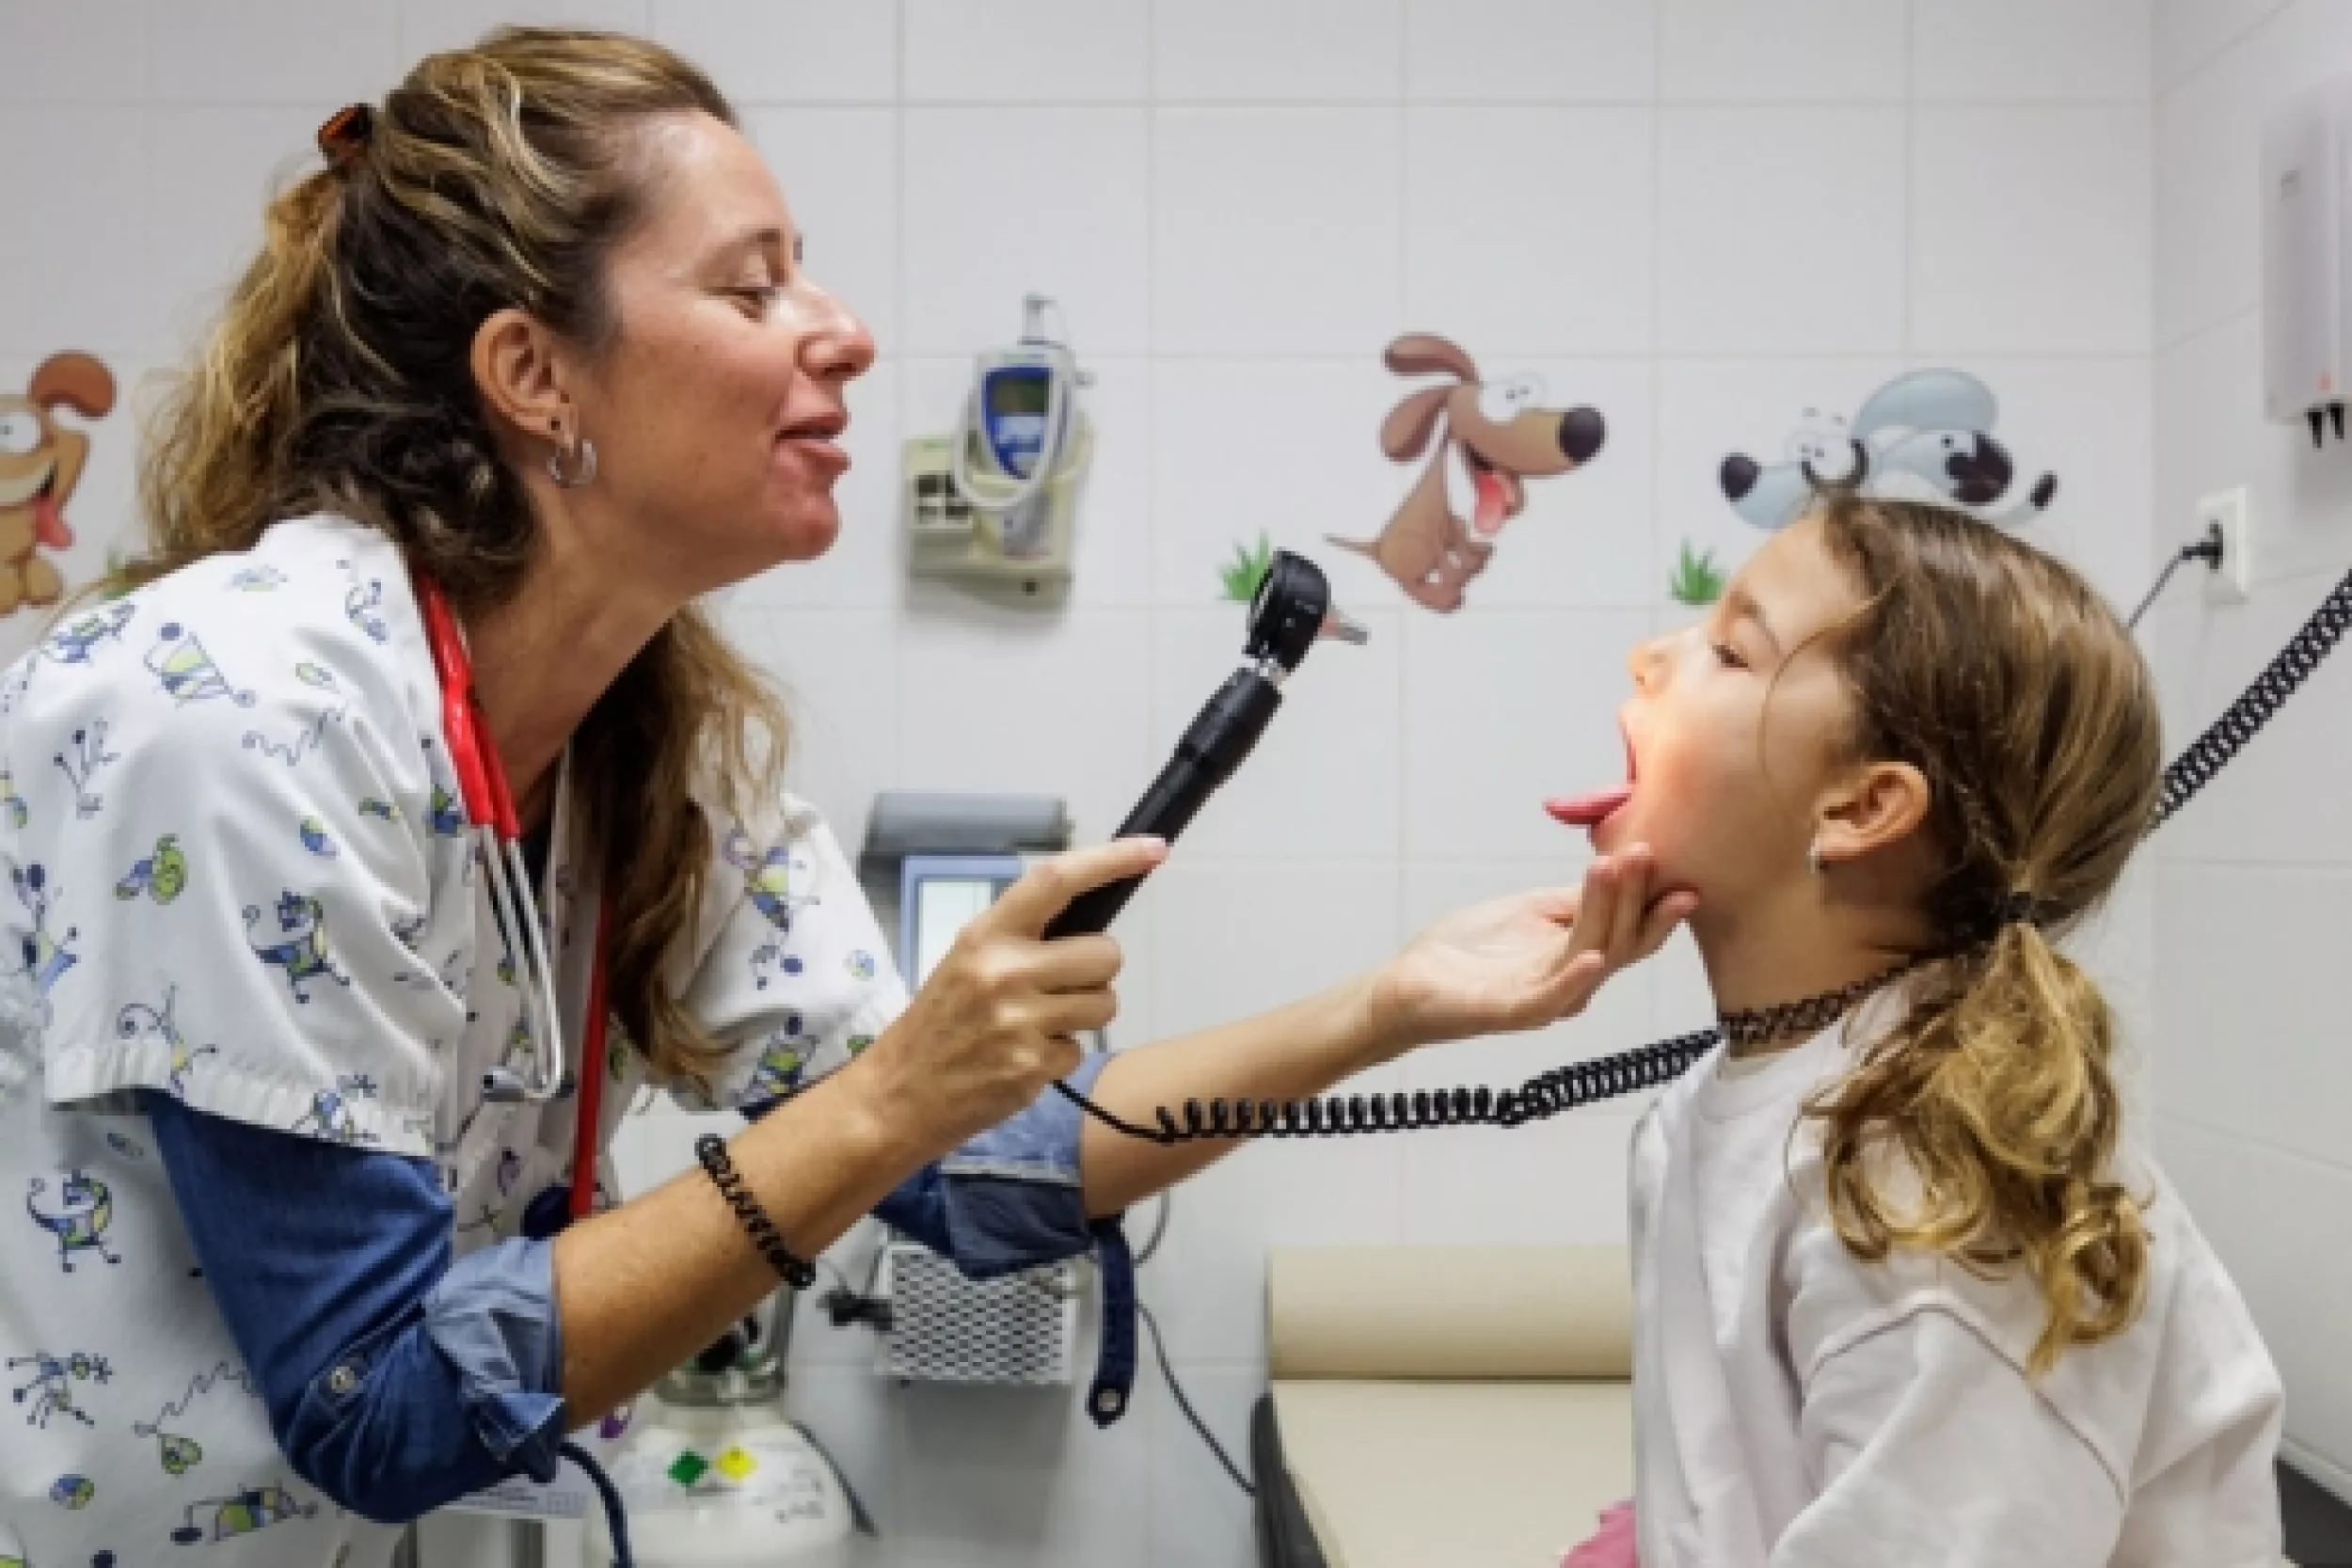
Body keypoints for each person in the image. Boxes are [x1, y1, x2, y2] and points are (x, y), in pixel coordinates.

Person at [0, 29, 1695, 1568]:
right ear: (535, 376)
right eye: (755, 289)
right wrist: (887, 1105)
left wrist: (1390, 1005)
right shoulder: (229, 719)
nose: (850, 332)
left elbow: (984, 1168)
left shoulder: (637, 746)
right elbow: (378, 1398)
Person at [1553, 492, 2282, 1565]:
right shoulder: (1736, 1100)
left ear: (1858, 806)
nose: (1648, 656)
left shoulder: (1923, 1199)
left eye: (1728, 650)